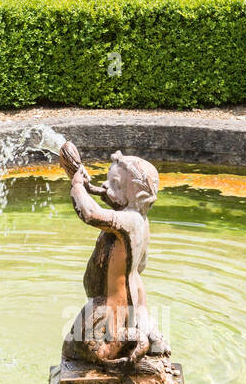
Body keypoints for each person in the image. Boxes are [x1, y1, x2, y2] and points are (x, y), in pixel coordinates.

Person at [59, 143, 170, 367]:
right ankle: (141, 337)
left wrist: (78, 186)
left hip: (110, 309)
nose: (105, 186)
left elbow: (90, 214)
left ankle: (124, 353)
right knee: (72, 349)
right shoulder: (139, 220)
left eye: (115, 185)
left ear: (135, 195)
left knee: (78, 352)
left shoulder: (130, 222)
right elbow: (140, 267)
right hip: (118, 304)